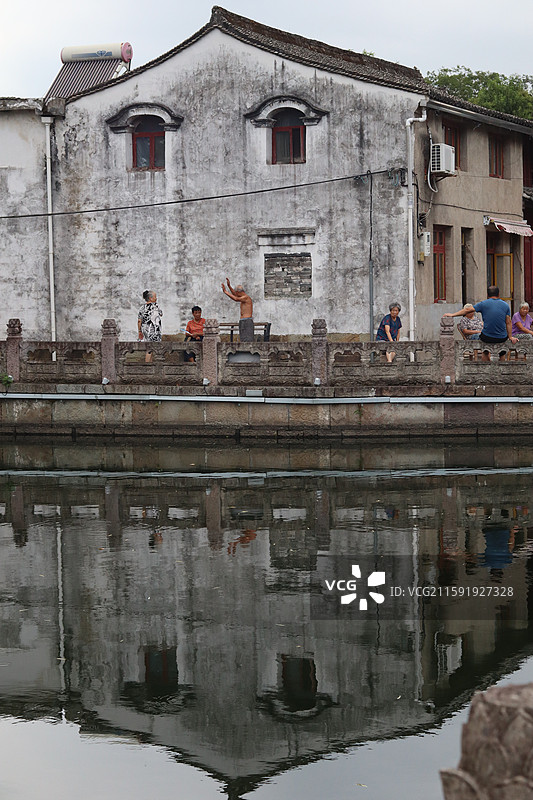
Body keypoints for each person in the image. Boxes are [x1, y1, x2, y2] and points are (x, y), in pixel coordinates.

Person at [443, 286, 517, 361]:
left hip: (487, 337)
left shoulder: (483, 304)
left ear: (487, 295)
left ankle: (485, 366)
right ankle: (501, 368)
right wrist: (510, 336)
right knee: (502, 352)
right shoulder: (505, 305)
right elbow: (508, 322)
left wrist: (453, 315)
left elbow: (467, 310)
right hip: (502, 337)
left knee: (485, 351)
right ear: (499, 294)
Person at [221, 277, 254, 342]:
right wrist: (229, 286)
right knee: (243, 339)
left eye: (237, 293)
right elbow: (235, 294)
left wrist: (225, 291)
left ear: (239, 292)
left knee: (248, 340)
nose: (236, 294)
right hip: (242, 320)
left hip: (247, 321)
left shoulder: (246, 297)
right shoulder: (241, 296)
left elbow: (235, 298)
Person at [138, 290, 163, 363]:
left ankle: (149, 365)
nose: (156, 298)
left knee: (149, 349)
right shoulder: (156, 306)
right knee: (151, 350)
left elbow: (139, 321)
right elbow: (161, 314)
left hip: (145, 330)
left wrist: (139, 331)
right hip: (154, 331)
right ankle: (147, 367)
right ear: (150, 298)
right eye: (155, 297)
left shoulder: (142, 308)